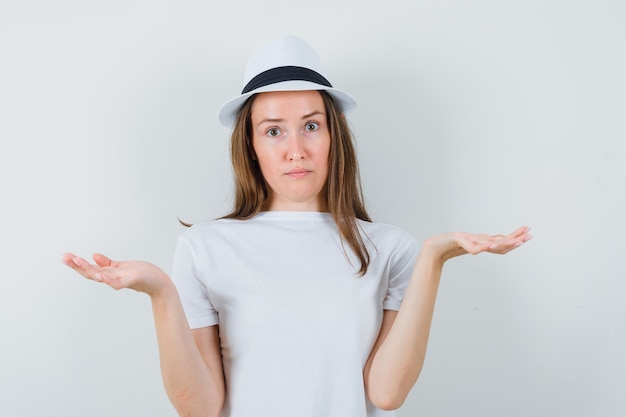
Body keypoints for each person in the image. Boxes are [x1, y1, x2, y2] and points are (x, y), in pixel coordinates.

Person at [62, 35, 531, 417]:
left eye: (311, 125)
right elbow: (200, 407)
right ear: (250, 146)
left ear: (333, 136)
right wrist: (160, 291)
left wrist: (435, 257)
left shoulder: (392, 249)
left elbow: (387, 394)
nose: (296, 149)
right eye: (273, 130)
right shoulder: (205, 247)